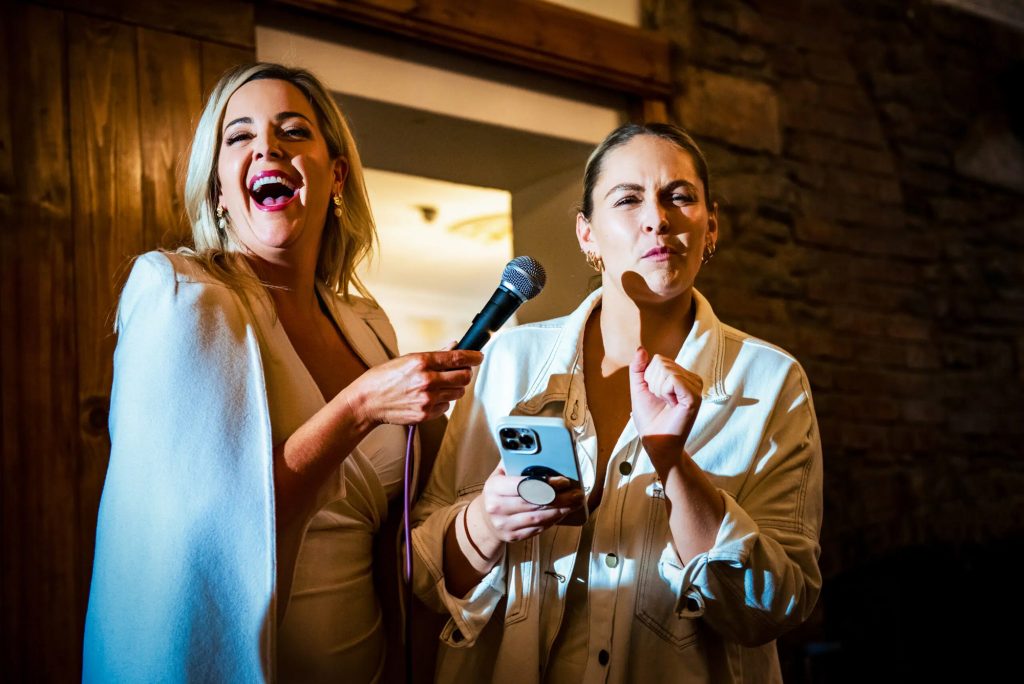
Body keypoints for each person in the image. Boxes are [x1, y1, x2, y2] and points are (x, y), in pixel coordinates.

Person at [82, 62, 481, 683]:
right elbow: (206, 540)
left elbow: (396, 523)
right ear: (218, 187)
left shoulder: (366, 325)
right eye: (239, 136)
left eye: (293, 132)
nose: (267, 146)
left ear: (337, 175)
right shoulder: (181, 297)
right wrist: (360, 408)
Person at [411, 122, 823, 682]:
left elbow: (778, 606)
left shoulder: (770, 382)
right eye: (628, 199)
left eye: (680, 196)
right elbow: (427, 575)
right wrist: (487, 520)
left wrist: (675, 466)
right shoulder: (509, 361)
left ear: (712, 226)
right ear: (587, 235)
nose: (657, 218)